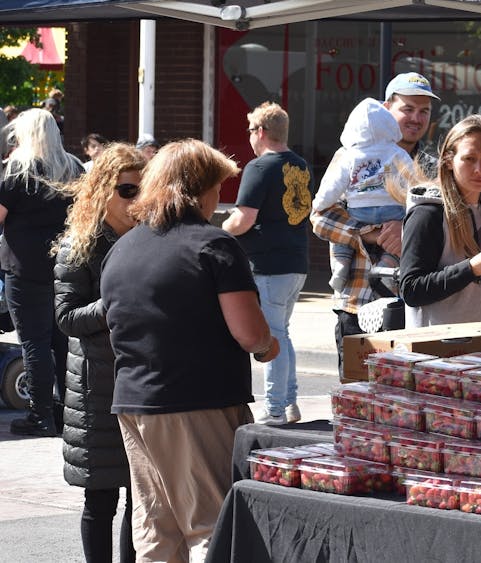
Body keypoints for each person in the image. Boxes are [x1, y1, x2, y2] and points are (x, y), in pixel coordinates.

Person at [101, 139, 277, 561]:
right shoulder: (213, 244)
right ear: (201, 190)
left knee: (157, 530)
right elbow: (250, 334)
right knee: (210, 527)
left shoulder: (121, 249)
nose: (220, 197)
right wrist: (270, 346)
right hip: (196, 401)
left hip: (133, 403)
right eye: (217, 187)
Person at [311, 72, 439, 369]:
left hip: (412, 306)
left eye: (424, 111)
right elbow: (318, 217)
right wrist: (367, 234)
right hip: (356, 303)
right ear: (385, 109)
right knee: (356, 400)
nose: (416, 118)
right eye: (407, 109)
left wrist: (406, 227)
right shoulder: (351, 154)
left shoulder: (431, 166)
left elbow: (443, 225)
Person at [54, 143, 144, 563]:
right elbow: (66, 317)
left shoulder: (148, 240)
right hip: (97, 387)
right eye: (127, 191)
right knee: (101, 498)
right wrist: (116, 303)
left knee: (138, 496)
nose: (136, 201)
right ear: (103, 190)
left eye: (143, 191)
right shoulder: (80, 246)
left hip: (141, 380)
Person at [222, 101, 313, 426]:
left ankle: (275, 408)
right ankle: (289, 403)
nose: (249, 137)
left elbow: (244, 219)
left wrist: (220, 232)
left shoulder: (260, 167)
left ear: (260, 132)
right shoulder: (300, 165)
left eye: (250, 131)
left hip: (269, 264)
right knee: (282, 333)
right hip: (296, 261)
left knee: (273, 336)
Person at [399, 114, 481, 327]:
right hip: (438, 351)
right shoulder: (428, 213)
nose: (480, 169)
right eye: (469, 159)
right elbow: (411, 290)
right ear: (449, 161)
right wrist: (471, 268)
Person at [0, 108, 83, 436]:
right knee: (62, 341)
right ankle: (67, 412)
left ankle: (40, 414)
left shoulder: (16, 171)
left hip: (25, 268)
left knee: (33, 342)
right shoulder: (74, 168)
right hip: (66, 265)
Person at [313, 97, 412, 292]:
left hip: (359, 210)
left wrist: (319, 203)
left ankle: (341, 264)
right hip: (391, 210)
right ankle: (387, 264)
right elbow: (414, 180)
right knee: (398, 242)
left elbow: (332, 186)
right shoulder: (397, 152)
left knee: (340, 236)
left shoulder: (349, 155)